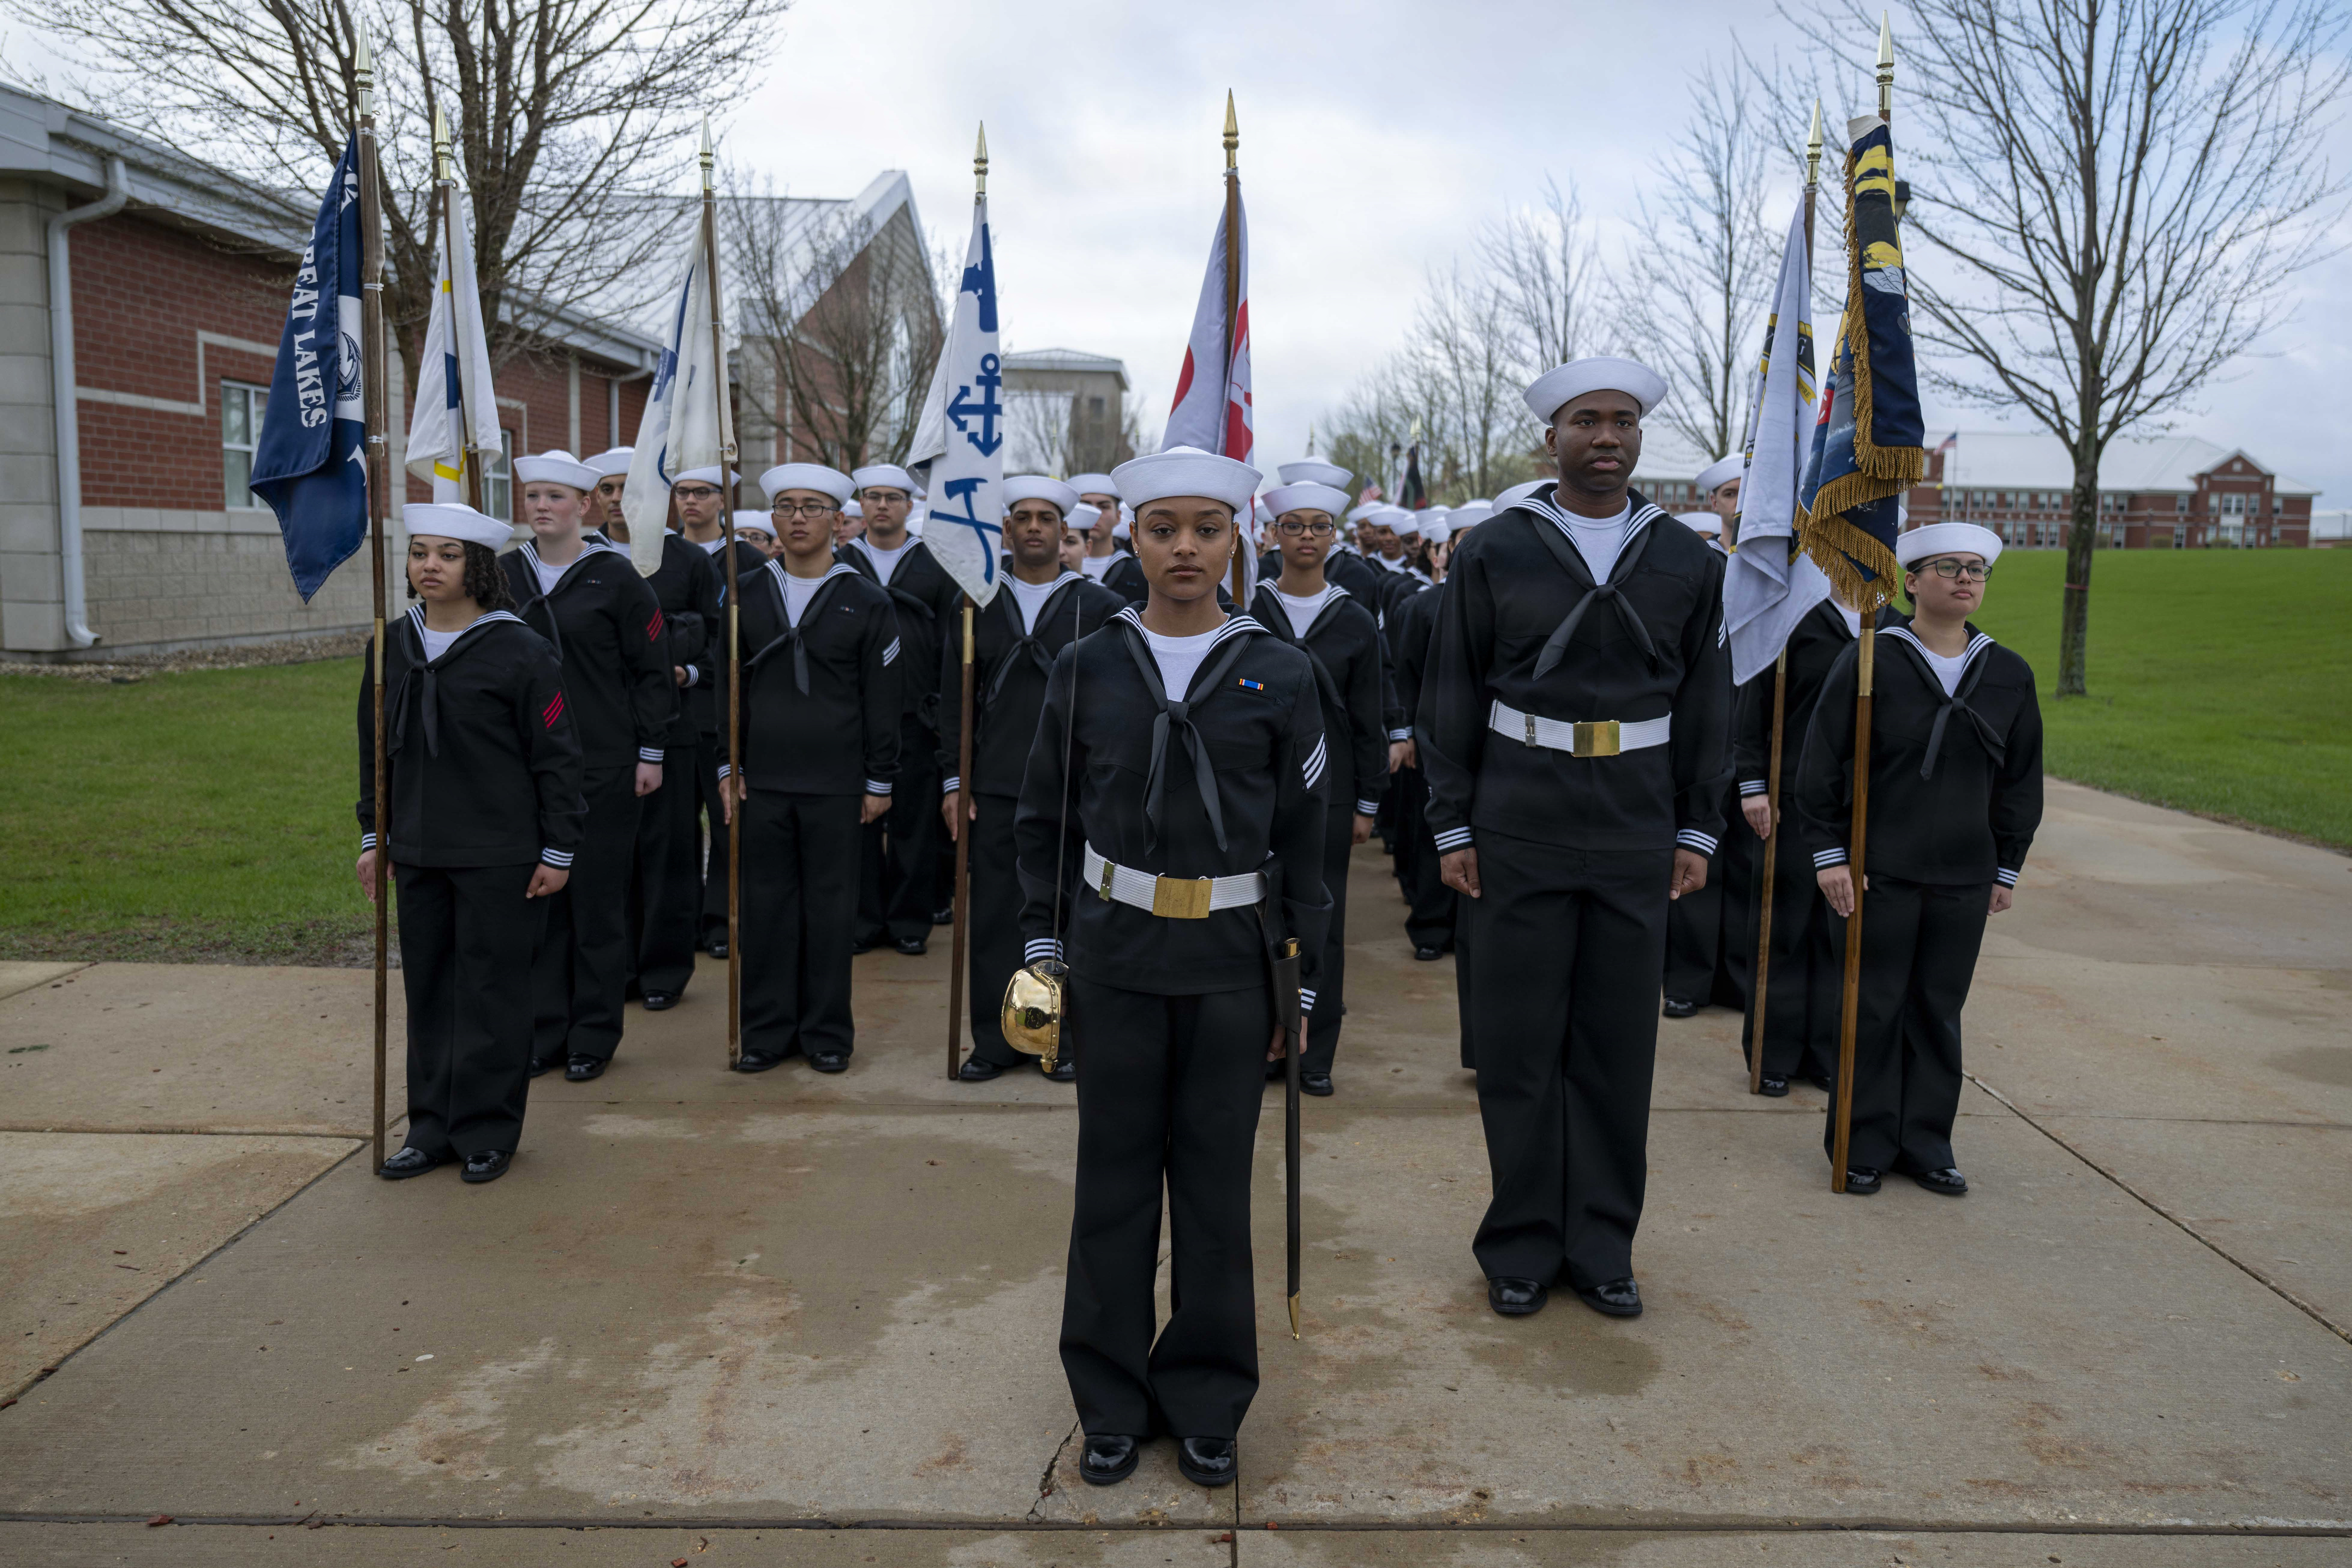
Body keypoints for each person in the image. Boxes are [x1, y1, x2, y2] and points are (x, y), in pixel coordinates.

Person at [1017, 446, 1329, 1492]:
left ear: (1237, 537)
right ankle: (1107, 1400)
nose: (1184, 547)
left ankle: (1205, 1397)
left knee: (1211, 1189)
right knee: (1110, 1187)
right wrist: (1043, 951)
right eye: (1163, 529)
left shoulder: (1282, 673)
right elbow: (1043, 823)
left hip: (1231, 968)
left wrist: (1303, 982)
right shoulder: (1087, 664)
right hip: (1114, 958)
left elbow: (1308, 843)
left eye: (1205, 527)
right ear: (1130, 539)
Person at [1420, 357, 1731, 1321]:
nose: (1607, 436)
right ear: (1550, 438)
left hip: (1637, 822)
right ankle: (1518, 1244)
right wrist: (1452, 818)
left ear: (1641, 437)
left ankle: (1602, 1246)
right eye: (1587, 421)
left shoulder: (1688, 558)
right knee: (1518, 1046)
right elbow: (1453, 689)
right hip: (1520, 818)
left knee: (1613, 1046)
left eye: (1624, 421)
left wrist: (1699, 825)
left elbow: (1710, 703)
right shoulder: (1498, 551)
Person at [1797, 522, 2042, 1196]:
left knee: (1937, 1010)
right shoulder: (1874, 658)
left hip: (1964, 874)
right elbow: (1821, 764)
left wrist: (2006, 865)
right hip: (1879, 870)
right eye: (1948, 567)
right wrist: (1830, 854)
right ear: (1910, 580)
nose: (1966, 578)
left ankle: (1927, 1142)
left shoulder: (2007, 672)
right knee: (1873, 1008)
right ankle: (1862, 1144)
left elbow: (2020, 779)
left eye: (1976, 569)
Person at [359, 502, 582, 1184]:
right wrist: (376, 835)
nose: (429, 564)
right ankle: (429, 1128)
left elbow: (556, 756)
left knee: (491, 993)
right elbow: (371, 750)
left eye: (447, 554)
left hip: (499, 851)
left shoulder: (522, 648)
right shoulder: (391, 644)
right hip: (420, 851)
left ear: (478, 567)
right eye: (420, 552)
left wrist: (558, 849)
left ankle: (487, 1128)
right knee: (429, 991)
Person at [717, 462, 902, 1073]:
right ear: (772, 518)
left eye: (813, 507)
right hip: (762, 783)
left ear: (838, 522)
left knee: (829, 913)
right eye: (788, 507)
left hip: (838, 787)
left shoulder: (866, 600)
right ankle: (767, 1031)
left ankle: (826, 1033)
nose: (798, 517)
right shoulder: (744, 593)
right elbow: (727, 687)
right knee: (765, 912)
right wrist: (728, 766)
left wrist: (880, 779)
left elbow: (882, 697)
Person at [940, 476, 1124, 1084]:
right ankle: (995, 1041)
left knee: (1070, 914)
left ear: (1065, 527)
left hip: (1075, 786)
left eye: (1047, 516)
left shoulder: (1097, 607)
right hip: (995, 782)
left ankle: (1063, 1039)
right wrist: (953, 781)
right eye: (1024, 516)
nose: (1036, 526)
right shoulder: (975, 601)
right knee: (995, 914)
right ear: (1007, 528)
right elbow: (952, 701)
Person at [500, 450, 671, 1084]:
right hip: (525, 767)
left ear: (585, 507)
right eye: (534, 496)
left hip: (603, 762)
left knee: (596, 902)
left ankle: (594, 1034)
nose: (542, 506)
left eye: (556, 497)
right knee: (541, 901)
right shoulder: (503, 575)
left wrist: (650, 751)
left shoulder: (618, 577)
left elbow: (652, 668)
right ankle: (547, 1030)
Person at [1248, 478, 1396, 1096]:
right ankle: (1261, 1042)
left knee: (1321, 922)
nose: (1306, 536)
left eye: (1318, 526)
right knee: (1256, 918)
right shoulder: (1247, 611)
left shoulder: (1356, 619)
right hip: (1254, 793)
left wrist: (1368, 800)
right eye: (1294, 525)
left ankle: (1313, 1051)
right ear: (1273, 535)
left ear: (1335, 537)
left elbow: (1370, 720)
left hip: (1329, 797)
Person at [598, 448, 722, 1015]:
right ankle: (614, 967)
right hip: (599, 735)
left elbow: (722, 639)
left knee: (667, 852)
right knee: (608, 857)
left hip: (670, 729)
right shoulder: (583, 560)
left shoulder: (689, 561)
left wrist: (689, 671)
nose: (621, 500)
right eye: (610, 489)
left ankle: (664, 970)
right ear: (595, 499)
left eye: (634, 488)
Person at [835, 463, 959, 956]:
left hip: (916, 717)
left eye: (893, 497)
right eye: (873, 496)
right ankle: (864, 920)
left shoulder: (936, 561)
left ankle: (910, 920)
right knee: (859, 823)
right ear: (860, 505)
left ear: (911, 506)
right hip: (852, 717)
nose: (882, 505)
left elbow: (951, 643)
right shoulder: (841, 561)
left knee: (913, 824)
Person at [1737, 591, 1857, 1094]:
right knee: (1784, 926)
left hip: (1857, 803)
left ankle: (1826, 1053)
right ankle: (1773, 1051)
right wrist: (1752, 782)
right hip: (1790, 793)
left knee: (1838, 935)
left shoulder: (1892, 623)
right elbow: (1754, 700)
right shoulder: (1795, 613)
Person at [667, 466, 740, 960]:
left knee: (728, 822)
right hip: (671, 720)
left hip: (721, 715)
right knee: (674, 828)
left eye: (702, 491)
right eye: (682, 491)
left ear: (724, 498)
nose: (691, 500)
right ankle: (682, 919)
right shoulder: (660, 558)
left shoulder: (747, 559)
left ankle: (721, 921)